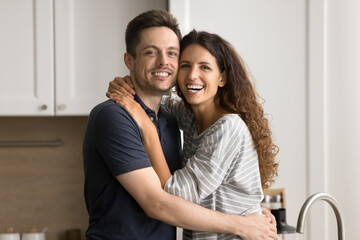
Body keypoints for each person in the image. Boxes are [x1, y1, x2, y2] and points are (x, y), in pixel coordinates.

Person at [83, 9, 277, 240]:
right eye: (151, 52)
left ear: (222, 78)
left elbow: (181, 194)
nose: (164, 62)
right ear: (130, 61)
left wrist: (249, 213)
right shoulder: (119, 116)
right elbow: (158, 203)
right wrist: (241, 223)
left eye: (172, 54)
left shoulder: (173, 120)